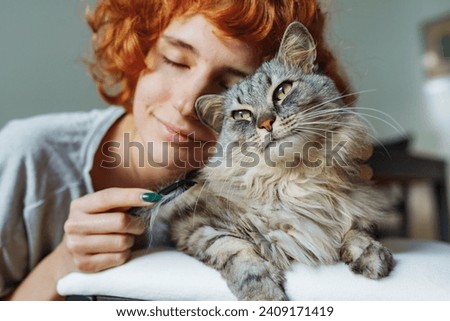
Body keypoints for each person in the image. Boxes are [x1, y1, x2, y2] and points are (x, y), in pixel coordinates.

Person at [0, 0, 358, 300]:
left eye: (230, 85)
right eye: (175, 60)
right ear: (139, 50)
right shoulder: (28, 156)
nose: (188, 103)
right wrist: (64, 261)